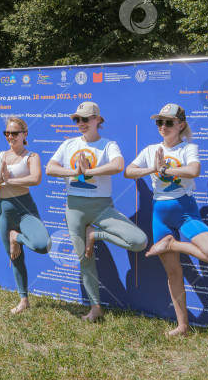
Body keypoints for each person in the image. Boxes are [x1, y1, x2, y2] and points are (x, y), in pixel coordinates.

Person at [125, 103, 208, 336]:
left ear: (181, 125)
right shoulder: (151, 149)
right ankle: (183, 326)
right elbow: (129, 171)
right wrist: (152, 167)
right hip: (160, 213)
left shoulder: (188, 148)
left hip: (185, 210)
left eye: (168, 122)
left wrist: (164, 171)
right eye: (159, 122)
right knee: (174, 273)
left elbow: (193, 171)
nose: (163, 126)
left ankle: (171, 245)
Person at [46, 101, 148, 322]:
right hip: (74, 209)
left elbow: (118, 165)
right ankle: (95, 309)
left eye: (85, 119)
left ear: (97, 120)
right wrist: (74, 172)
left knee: (139, 241)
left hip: (102, 207)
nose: (80, 123)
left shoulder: (108, 144)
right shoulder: (68, 144)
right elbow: (49, 168)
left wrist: (89, 171)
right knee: (85, 259)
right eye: (77, 119)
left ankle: (94, 234)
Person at [0, 117, 51, 313]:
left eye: (15, 133)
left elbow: (36, 178)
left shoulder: (31, 156)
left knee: (42, 245)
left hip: (25, 209)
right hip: (5, 212)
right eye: (7, 133)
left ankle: (15, 237)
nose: (10, 136)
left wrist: (10, 181)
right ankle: (23, 301)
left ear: (25, 134)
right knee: (16, 257)